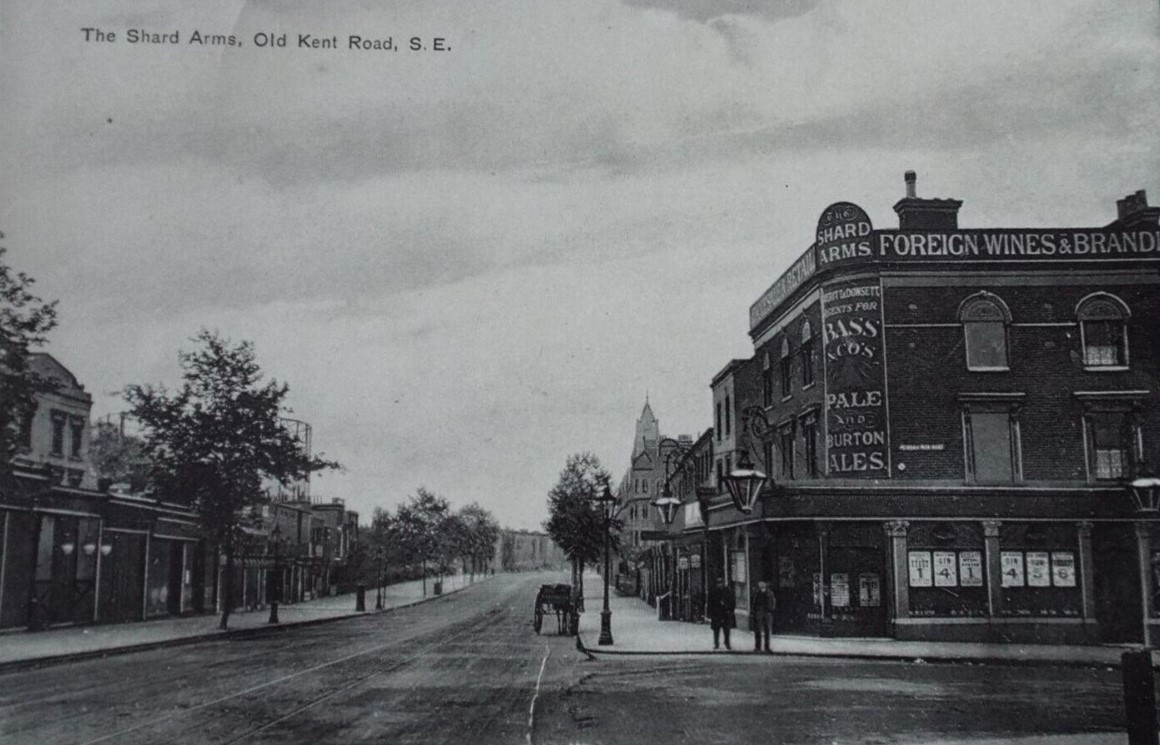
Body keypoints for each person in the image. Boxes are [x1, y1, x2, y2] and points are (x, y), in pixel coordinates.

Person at [707, 576, 736, 650]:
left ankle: (727, 643)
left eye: (721, 583)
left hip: (725, 613)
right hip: (716, 614)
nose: (720, 585)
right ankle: (716, 643)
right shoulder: (713, 591)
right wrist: (710, 613)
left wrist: (730, 610)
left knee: (726, 630)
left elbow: (732, 601)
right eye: (718, 583)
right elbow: (710, 603)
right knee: (716, 630)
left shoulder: (728, 591)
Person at [751, 580, 776, 653]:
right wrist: (754, 612)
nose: (761, 588)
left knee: (767, 631)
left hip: (767, 613)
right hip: (759, 612)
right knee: (758, 630)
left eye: (762, 587)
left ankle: (766, 647)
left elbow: (773, 602)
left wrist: (771, 610)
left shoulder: (769, 594)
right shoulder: (756, 594)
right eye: (760, 587)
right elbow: (754, 603)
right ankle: (758, 647)